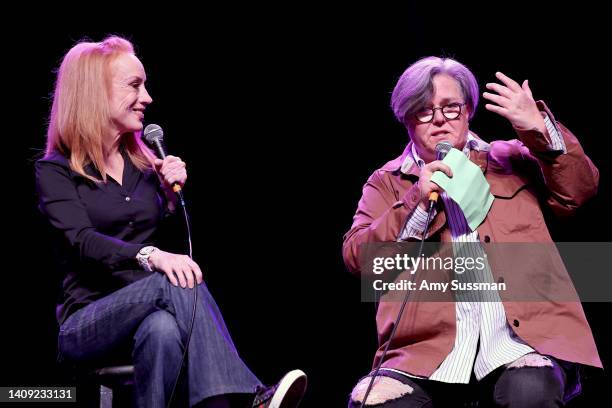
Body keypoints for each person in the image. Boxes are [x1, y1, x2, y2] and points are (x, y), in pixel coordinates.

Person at [35, 35, 307, 408]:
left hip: (153, 312)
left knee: (162, 331)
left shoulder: (146, 167)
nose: (147, 97)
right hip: (86, 323)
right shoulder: (55, 171)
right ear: (94, 92)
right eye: (135, 85)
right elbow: (83, 240)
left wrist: (166, 196)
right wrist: (151, 255)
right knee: (174, 281)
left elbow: (174, 244)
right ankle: (247, 399)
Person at [342, 56, 602, 407]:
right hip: (425, 355)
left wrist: (540, 130)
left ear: (468, 111)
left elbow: (579, 190)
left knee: (530, 393)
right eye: (423, 110)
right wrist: (415, 200)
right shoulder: (387, 182)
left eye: (451, 108)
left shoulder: (510, 158)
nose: (438, 120)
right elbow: (359, 262)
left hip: (519, 344)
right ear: (406, 120)